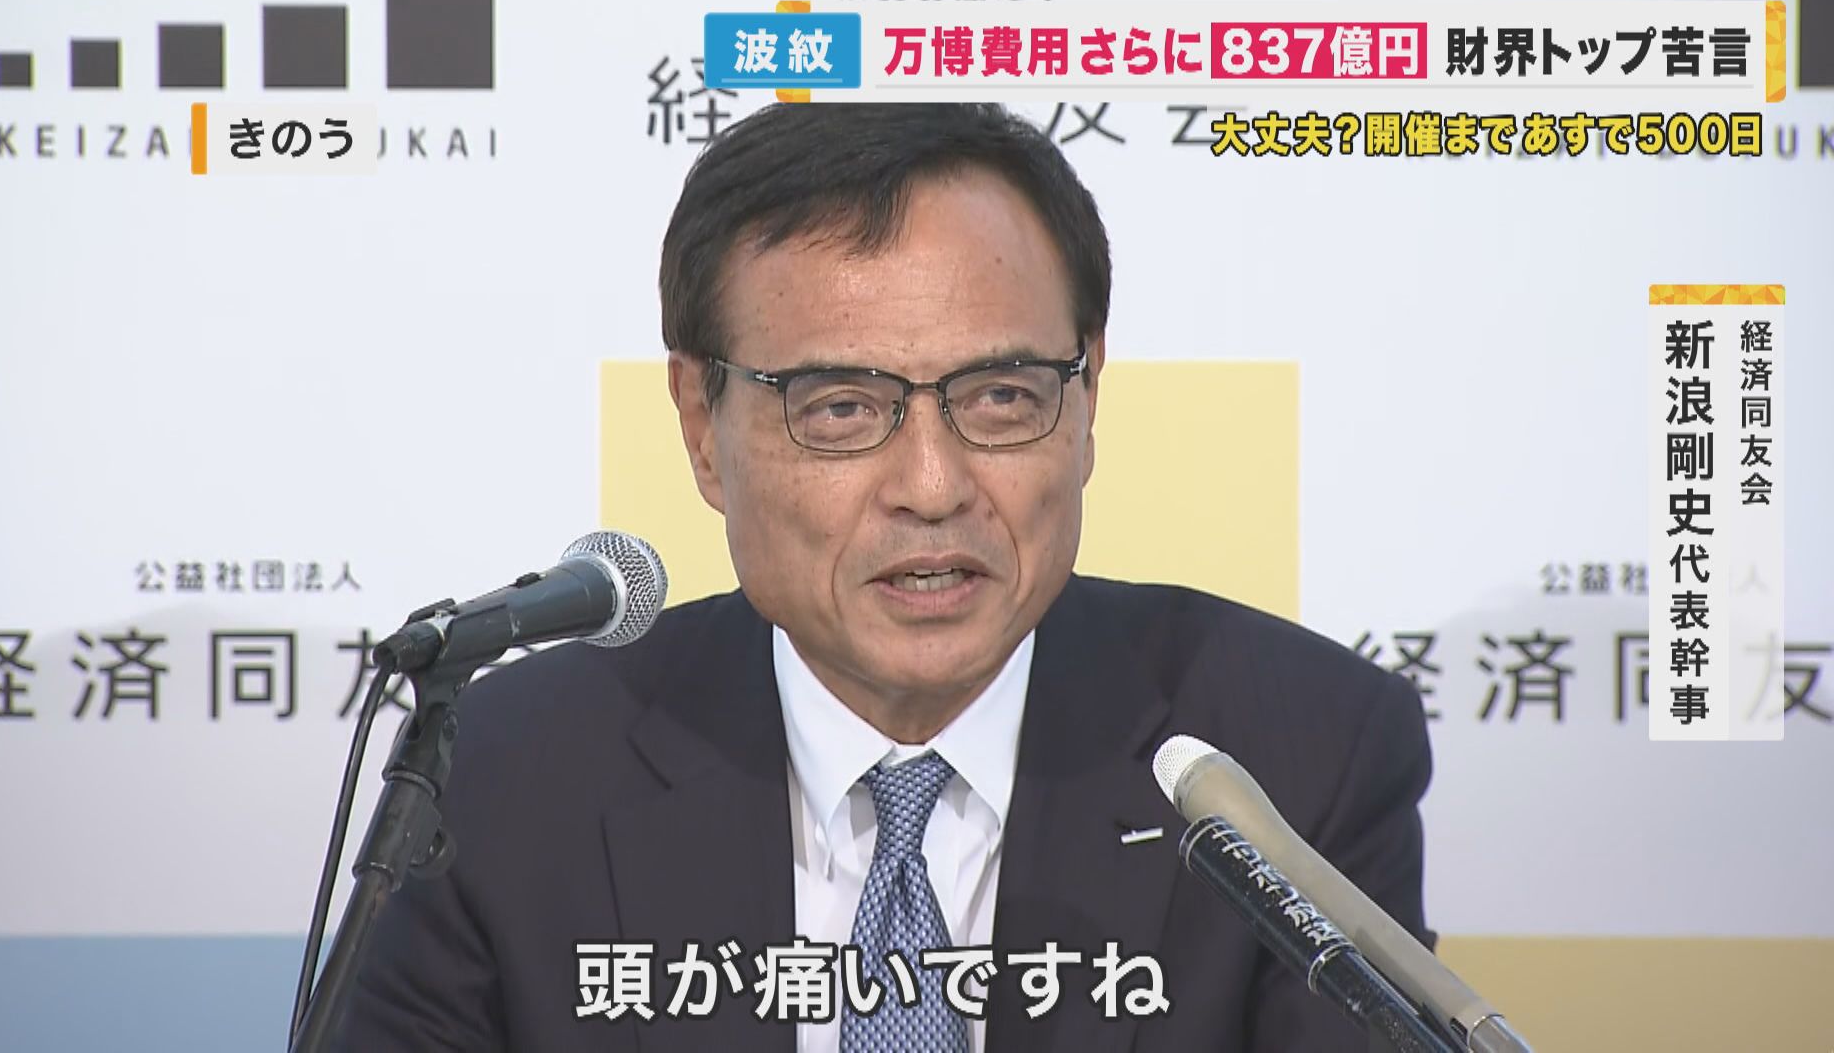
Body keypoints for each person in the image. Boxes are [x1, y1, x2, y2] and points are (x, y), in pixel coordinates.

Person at [336, 103, 1433, 1052]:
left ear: (1088, 396)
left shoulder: (1296, 761)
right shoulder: (509, 775)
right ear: (703, 427)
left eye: (1001, 397)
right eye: (841, 409)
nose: (932, 487)